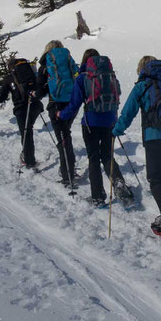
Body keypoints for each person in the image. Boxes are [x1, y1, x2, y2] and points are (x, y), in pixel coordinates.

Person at [113, 56, 161, 234]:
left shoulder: (142, 85)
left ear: (142, 69)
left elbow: (128, 111)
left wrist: (117, 130)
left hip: (155, 136)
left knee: (155, 178)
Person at [58, 49, 131, 206]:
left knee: (93, 158)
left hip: (91, 123)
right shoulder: (110, 76)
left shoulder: (82, 78)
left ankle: (97, 197)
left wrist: (61, 115)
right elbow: (118, 93)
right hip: (111, 121)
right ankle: (119, 184)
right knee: (107, 155)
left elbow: (74, 104)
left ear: (85, 61)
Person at [0, 57, 44, 168]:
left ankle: (29, 161)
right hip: (36, 106)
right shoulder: (31, 73)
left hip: (21, 109)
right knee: (28, 129)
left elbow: (0, 97)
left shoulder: (10, 78)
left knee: (26, 133)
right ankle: (29, 157)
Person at [36, 40, 78, 187]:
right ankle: (69, 168)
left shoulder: (46, 65)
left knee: (63, 139)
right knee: (66, 134)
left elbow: (40, 88)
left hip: (56, 104)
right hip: (72, 104)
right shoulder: (67, 60)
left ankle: (68, 175)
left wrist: (36, 94)